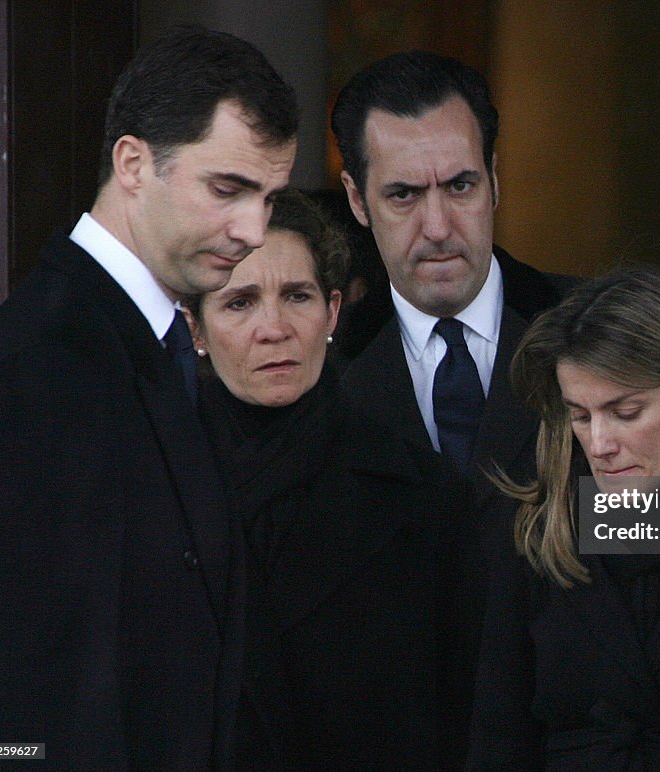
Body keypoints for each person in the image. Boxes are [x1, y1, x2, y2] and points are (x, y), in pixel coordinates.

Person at [0, 26, 297, 768]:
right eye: (228, 189)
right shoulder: (42, 362)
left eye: (269, 199)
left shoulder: (148, 342)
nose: (253, 230)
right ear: (133, 163)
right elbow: (13, 691)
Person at [330, 50, 575, 757]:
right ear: (356, 199)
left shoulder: (594, 329)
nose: (438, 226)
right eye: (404, 195)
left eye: (461, 185)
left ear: (495, 179)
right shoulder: (319, 373)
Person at [186, 189, 465, 769]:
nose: (275, 328)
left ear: (333, 312)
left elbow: (456, 715)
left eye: (297, 296)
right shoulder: (152, 491)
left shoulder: (422, 495)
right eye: (240, 303)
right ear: (195, 330)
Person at [467, 266, 660, 769]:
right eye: (581, 415)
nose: (600, 445)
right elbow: (500, 737)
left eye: (626, 413)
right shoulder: (540, 534)